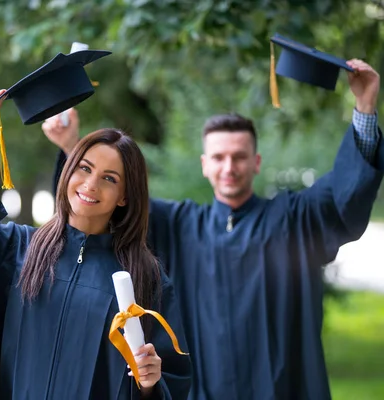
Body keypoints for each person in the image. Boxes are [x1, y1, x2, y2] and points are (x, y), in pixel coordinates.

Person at [43, 59, 383, 399]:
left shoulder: (293, 220)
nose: (229, 167)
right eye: (219, 157)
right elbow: (111, 198)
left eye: (239, 157)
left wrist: (365, 106)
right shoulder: (178, 227)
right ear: (205, 164)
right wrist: (72, 146)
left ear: (256, 162)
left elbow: (344, 195)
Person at [0, 90, 192, 399]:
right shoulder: (12, 250)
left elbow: (170, 382)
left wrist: (150, 383)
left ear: (124, 196)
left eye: (110, 179)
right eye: (84, 168)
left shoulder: (144, 278)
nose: (91, 184)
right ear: (68, 171)